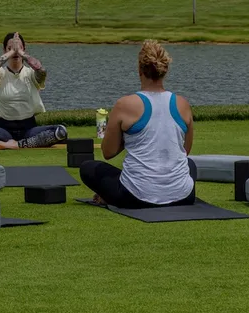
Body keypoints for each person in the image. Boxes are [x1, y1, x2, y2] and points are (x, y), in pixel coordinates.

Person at [79, 40, 196, 208]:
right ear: (165, 71)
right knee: (190, 164)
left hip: (136, 197)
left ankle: (109, 196)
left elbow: (108, 152)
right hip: (184, 196)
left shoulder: (124, 104)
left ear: (140, 70)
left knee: (88, 167)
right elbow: (185, 151)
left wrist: (128, 138)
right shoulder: (182, 103)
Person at [0, 32, 67, 149]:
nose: (15, 52)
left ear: (24, 49)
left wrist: (21, 53)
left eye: (19, 48)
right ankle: (25, 143)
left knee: (61, 132)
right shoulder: (0, 74)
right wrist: (12, 51)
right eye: (10, 48)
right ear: (4, 50)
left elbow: (41, 70)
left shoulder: (31, 74)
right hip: (4, 130)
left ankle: (16, 145)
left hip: (29, 129)